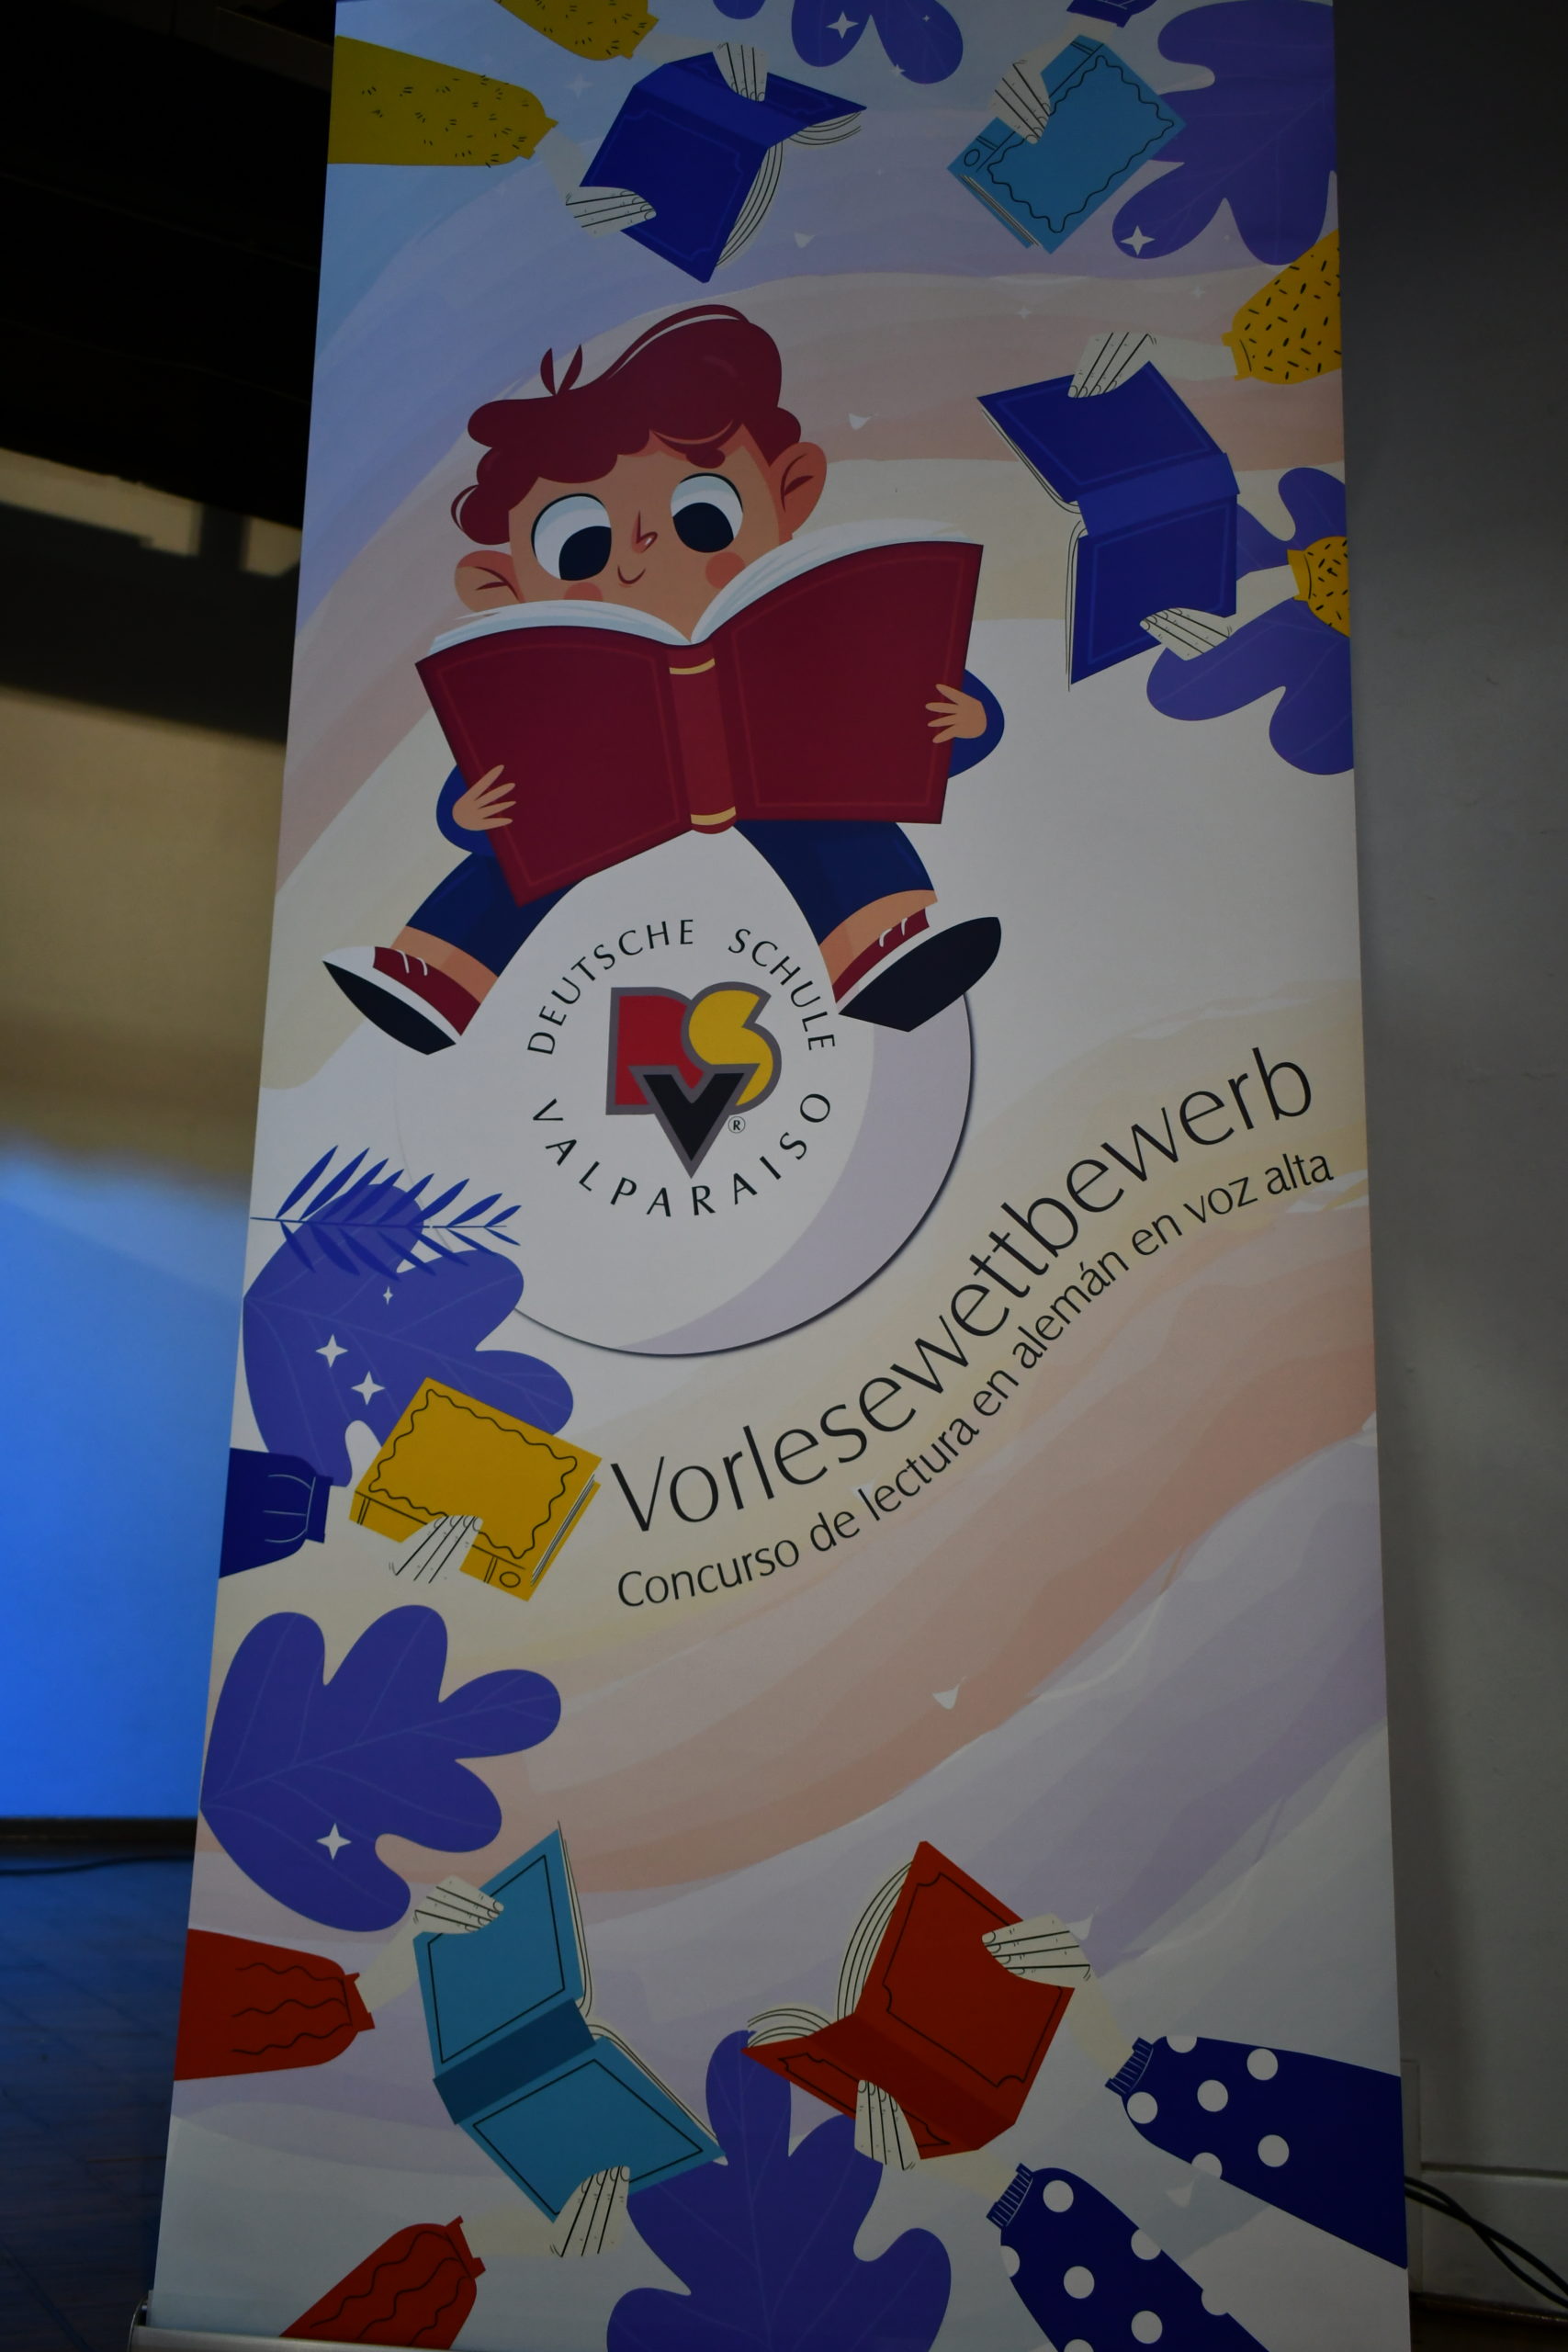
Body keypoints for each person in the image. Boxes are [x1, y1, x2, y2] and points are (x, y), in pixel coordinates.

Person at [325, 304, 1005, 1055]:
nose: (640, 555)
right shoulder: (552, 697)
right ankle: (436, 974)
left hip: (782, 773)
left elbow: (911, 710)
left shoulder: (817, 638)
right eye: (580, 547)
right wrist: (468, 816)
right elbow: (491, 776)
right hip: (605, 793)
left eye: (703, 517)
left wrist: (969, 722)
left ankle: (884, 945)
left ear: (791, 492)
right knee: (526, 850)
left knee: (835, 818)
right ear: (501, 585)